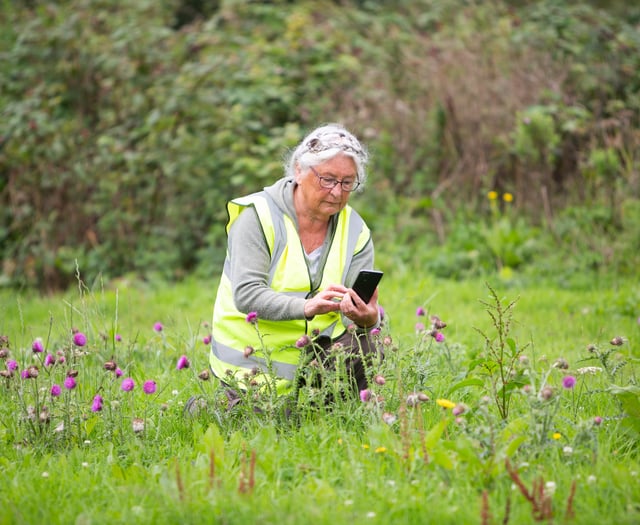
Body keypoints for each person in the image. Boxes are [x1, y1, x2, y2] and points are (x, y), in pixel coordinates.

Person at [209, 123, 383, 399]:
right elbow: (246, 294)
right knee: (261, 425)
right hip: (252, 366)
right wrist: (307, 306)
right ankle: (213, 405)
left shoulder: (355, 229)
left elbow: (358, 308)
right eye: (327, 179)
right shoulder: (257, 217)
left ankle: (330, 412)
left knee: (370, 342)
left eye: (347, 183)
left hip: (316, 360)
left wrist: (369, 319)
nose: (337, 192)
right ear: (299, 170)